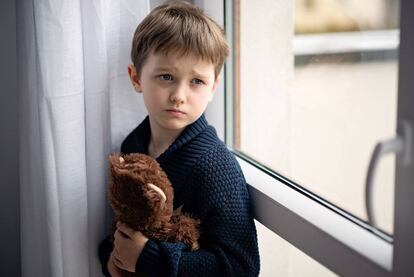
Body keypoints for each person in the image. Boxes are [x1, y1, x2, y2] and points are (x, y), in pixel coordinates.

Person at [98, 1, 260, 276]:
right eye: (166, 76)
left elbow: (241, 267)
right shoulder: (133, 147)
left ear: (213, 87)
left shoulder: (215, 166)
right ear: (136, 78)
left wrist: (147, 258)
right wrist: (111, 259)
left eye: (196, 81)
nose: (179, 95)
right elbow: (124, 230)